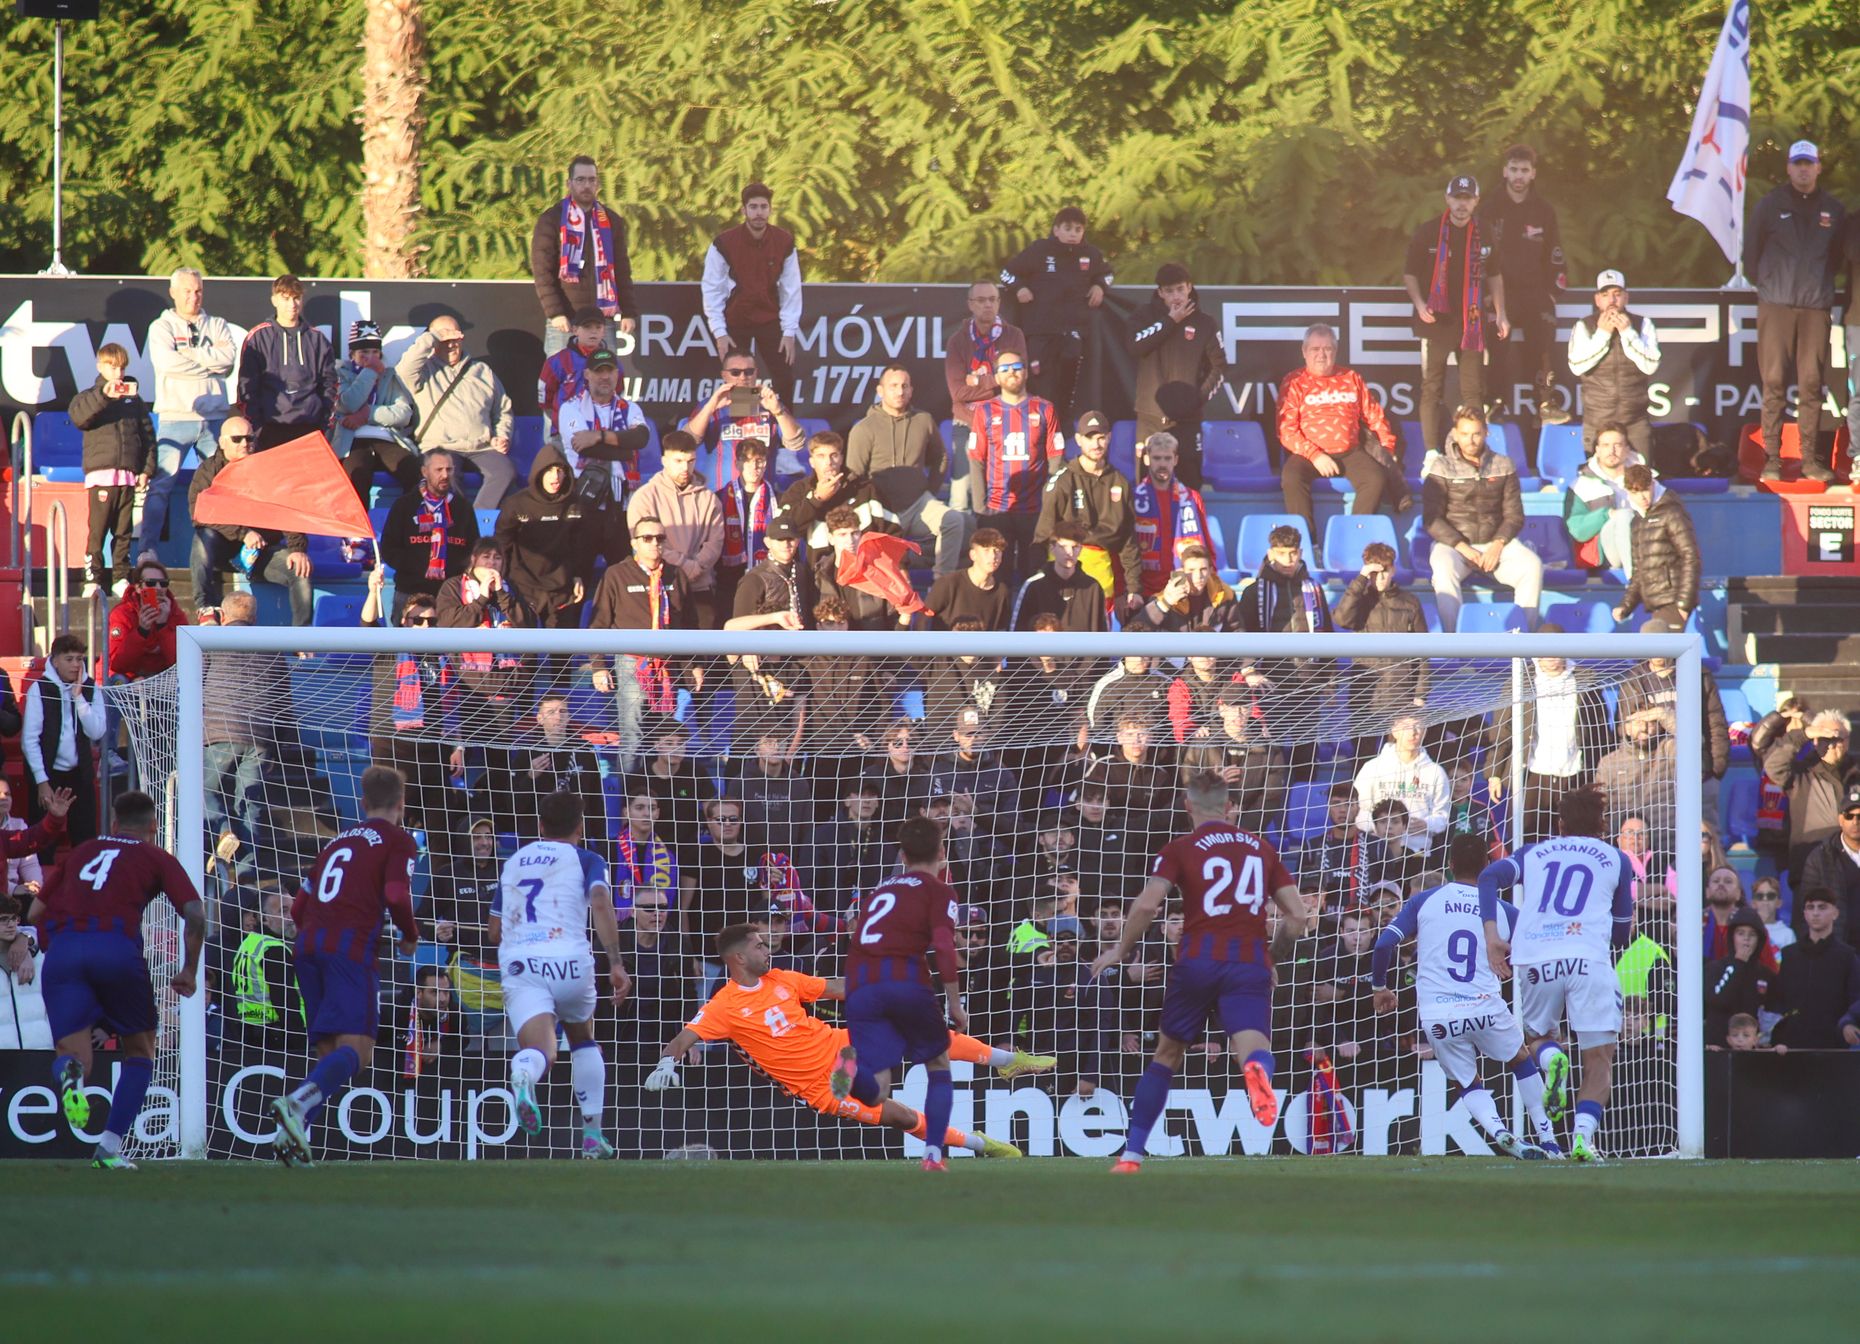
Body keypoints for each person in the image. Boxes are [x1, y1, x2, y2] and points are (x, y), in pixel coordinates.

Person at [644, 923, 1040, 1157]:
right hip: (823, 1088)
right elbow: (683, 1037)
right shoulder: (723, 1006)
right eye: (759, 945)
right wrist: (668, 1062)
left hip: (842, 1046)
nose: (768, 948)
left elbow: (835, 987)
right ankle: (981, 1145)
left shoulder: (782, 978)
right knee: (899, 1116)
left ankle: (1007, 1061)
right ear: (739, 959)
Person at [1089, 772, 1307, 1172]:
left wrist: (1121, 949)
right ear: (1228, 807)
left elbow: (1146, 906)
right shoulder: (1262, 848)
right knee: (1254, 1047)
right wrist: (1271, 957)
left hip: (1196, 963)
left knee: (1167, 1055)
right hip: (1247, 962)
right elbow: (1297, 916)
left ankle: (1132, 1155)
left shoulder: (1181, 848)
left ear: (1188, 806)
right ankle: (1256, 1071)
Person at [30, 790, 204, 1169]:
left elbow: (35, 909)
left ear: (113, 823)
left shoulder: (81, 851)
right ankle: (108, 1149)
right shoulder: (156, 856)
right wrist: (189, 969)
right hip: (115, 948)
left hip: (64, 953)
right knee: (140, 1052)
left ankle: (71, 1076)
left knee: (74, 1056)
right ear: (153, 828)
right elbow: (195, 913)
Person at [267, 766, 423, 1166]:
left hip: (308, 948)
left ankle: (296, 1141)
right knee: (358, 1052)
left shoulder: (335, 842)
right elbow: (395, 892)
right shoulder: (398, 840)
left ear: (363, 803)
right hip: (350, 951)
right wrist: (409, 933)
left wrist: (317, 935)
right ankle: (297, 1103)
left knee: (328, 1056)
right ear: (401, 804)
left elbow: (299, 906)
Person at [1371, 833, 1554, 1157]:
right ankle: (1548, 1138)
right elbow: (1537, 950)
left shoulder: (1424, 900)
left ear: (1450, 864)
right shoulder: (1501, 909)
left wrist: (1380, 987)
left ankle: (1499, 1131)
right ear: (1488, 864)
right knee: (1521, 1060)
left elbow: (1384, 944)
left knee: (1468, 1082)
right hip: (1485, 1007)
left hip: (1439, 1015)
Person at [1480, 785, 1635, 1161]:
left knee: (1538, 1036)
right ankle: (1582, 1137)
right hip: (1588, 958)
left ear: (1561, 824)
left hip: (1537, 957)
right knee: (1599, 1058)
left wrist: (1493, 938)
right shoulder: (1617, 858)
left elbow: (1488, 878)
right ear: (1602, 824)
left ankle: (1551, 1060)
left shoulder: (1533, 853)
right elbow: (1620, 933)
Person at [493, 790, 631, 1157]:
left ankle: (524, 1071)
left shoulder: (514, 862)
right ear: (581, 826)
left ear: (540, 826)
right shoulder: (587, 858)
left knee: (541, 1050)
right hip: (569, 961)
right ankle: (592, 1137)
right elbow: (601, 903)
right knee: (583, 1038)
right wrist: (615, 963)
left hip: (523, 963)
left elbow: (494, 931)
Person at [832, 815, 968, 1170]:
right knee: (938, 1062)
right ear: (942, 852)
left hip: (861, 985)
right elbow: (942, 945)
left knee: (876, 1092)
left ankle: (847, 1067)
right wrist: (954, 1002)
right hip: (904, 980)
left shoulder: (880, 890)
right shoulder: (940, 891)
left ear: (902, 856)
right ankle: (933, 1155)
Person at [1745, 141, 1846, 481]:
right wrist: (1772, 287)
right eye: (1797, 163)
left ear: (1819, 167)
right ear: (1788, 167)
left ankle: (1809, 460)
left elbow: (1835, 260)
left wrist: (1817, 289)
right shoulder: (1770, 204)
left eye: (1809, 163)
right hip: (1776, 305)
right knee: (1773, 380)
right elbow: (1752, 254)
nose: (1803, 169)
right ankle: (1771, 459)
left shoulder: (1833, 209)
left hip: (1814, 308)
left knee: (1812, 383)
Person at [1404, 175, 1509, 454]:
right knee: (1432, 387)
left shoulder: (1485, 231)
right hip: (1436, 320)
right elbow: (1410, 274)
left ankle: (1474, 451)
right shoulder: (1429, 231)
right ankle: (1430, 453)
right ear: (1447, 199)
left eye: (1468, 199)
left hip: (1472, 320)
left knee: (1473, 390)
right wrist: (1419, 304)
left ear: (1476, 201)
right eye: (1457, 198)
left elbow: (1496, 275)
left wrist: (1501, 313)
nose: (1462, 204)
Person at [588, 518, 702, 769]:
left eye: (660, 538)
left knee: (666, 737)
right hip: (632, 661)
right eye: (647, 538)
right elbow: (598, 623)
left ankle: (659, 798)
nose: (654, 543)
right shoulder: (616, 574)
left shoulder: (676, 574)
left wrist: (693, 665)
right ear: (634, 543)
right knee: (634, 732)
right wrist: (598, 666)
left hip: (668, 665)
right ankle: (630, 799)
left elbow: (690, 626)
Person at [142, 267, 237, 555]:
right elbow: (167, 363)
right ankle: (148, 550)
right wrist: (209, 363)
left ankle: (229, 550)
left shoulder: (218, 324)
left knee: (225, 486)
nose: (193, 297)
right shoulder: (162, 327)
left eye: (198, 291)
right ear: (173, 292)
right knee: (161, 487)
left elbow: (229, 361)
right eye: (186, 291)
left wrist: (189, 356)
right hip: (175, 417)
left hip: (215, 417)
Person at [1421, 406, 1541, 633]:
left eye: (1476, 433)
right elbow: (1431, 519)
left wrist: (1497, 545)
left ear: (1486, 433)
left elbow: (1514, 515)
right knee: (1442, 568)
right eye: (1465, 434)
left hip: (1495, 545)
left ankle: (1525, 644)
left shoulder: (1504, 464)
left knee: (1532, 566)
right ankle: (1453, 646)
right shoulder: (1441, 466)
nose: (1471, 440)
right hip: (1455, 546)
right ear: (1455, 434)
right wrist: (1462, 547)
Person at [1277, 323, 1403, 538]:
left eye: (1327, 349)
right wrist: (1315, 456)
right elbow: (1286, 430)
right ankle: (1308, 544)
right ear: (1304, 352)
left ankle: (1353, 539)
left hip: (1350, 452)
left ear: (1335, 352)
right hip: (1310, 455)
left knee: (1375, 478)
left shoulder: (1351, 378)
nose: (1321, 355)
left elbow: (1375, 416)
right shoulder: (1293, 381)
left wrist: (1388, 448)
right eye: (1315, 349)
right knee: (1291, 477)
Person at [187, 415, 315, 626]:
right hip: (222, 552)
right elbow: (199, 513)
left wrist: (298, 548)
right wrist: (243, 533)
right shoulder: (208, 471)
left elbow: (287, 509)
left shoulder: (268, 469)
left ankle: (302, 641)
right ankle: (205, 607)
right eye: (237, 439)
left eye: (249, 438)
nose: (245, 444)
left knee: (300, 569)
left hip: (261, 554)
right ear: (222, 442)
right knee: (203, 535)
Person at [1485, 637, 1614, 844]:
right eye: (1546, 652)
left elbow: (1599, 725)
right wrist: (1494, 773)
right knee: (1527, 839)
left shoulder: (1587, 680)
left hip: (1575, 774)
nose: (1552, 657)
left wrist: (1601, 769)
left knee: (1578, 838)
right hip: (1533, 774)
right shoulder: (1520, 681)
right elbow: (1502, 728)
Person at [847, 364, 967, 575]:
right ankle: (908, 561)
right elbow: (854, 475)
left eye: (905, 386)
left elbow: (940, 457)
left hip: (919, 504)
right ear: (880, 391)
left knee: (954, 521)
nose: (900, 391)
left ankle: (940, 586)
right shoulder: (864, 428)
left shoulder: (924, 420)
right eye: (893, 386)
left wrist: (930, 490)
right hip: (881, 510)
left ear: (911, 390)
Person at [998, 205, 1113, 426]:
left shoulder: (1091, 254)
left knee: (1068, 384)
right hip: (1040, 333)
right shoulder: (1040, 250)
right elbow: (1006, 273)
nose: (1073, 234)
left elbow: (1108, 275)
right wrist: (1019, 288)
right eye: (1068, 228)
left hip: (1073, 333)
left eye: (1078, 230)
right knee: (1040, 384)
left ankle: (1061, 429)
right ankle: (1036, 428)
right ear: (1056, 230)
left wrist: (1100, 285)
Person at [1482, 144, 1570, 426]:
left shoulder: (1543, 210)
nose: (1519, 175)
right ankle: (1494, 404)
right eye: (1514, 169)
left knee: (1543, 348)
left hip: (1535, 293)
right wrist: (1484, 293)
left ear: (1533, 174)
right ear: (1504, 171)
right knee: (1497, 351)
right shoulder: (1488, 208)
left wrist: (1553, 293)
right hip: (1499, 295)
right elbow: (1477, 254)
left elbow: (1554, 253)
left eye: (1524, 170)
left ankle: (1546, 404)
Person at [397, 313, 517, 509]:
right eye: (444, 340)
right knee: (446, 475)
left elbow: (502, 409)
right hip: (441, 445)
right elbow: (403, 369)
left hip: (481, 447)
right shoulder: (422, 372)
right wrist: (434, 336)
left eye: (454, 339)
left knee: (505, 471)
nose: (450, 345)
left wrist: (502, 435)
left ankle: (478, 520)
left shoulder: (482, 371)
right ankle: (456, 528)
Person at [495, 443, 621, 629]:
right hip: (523, 585)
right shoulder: (516, 504)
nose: (555, 476)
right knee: (526, 652)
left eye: (560, 470)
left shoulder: (576, 504)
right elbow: (502, 542)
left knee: (562, 652)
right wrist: (504, 580)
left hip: (562, 587)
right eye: (549, 471)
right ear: (539, 472)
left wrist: (578, 576)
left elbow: (581, 546)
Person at [68, 342, 156, 598]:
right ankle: (93, 579)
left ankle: (120, 577)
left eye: (121, 367)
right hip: (100, 476)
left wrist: (145, 470)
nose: (118, 372)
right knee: (98, 530)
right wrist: (104, 396)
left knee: (123, 531)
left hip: (128, 476)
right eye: (112, 366)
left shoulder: (134, 400)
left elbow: (148, 436)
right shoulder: (88, 396)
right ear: (100, 366)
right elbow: (80, 418)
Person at [1129, 262, 1228, 489]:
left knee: (1190, 484)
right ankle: (1148, 526)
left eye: (1181, 289)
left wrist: (1196, 399)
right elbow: (1134, 347)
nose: (1176, 296)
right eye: (1170, 291)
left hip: (1187, 421)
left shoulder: (1205, 323)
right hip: (1150, 418)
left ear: (1189, 288)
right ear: (1160, 292)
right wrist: (1170, 321)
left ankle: (1189, 525)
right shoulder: (1143, 316)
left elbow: (1219, 366)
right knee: (1147, 484)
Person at [967, 347, 1062, 580]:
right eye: (1005, 369)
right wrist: (981, 509)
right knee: (999, 577)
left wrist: (1050, 504)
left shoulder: (1044, 408)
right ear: (997, 377)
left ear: (1026, 373)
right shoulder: (985, 411)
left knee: (1036, 577)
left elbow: (1055, 458)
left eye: (1017, 368)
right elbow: (976, 459)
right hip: (998, 509)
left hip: (1035, 510)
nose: (1012, 373)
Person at [702, 181, 803, 393]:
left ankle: (784, 425)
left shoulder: (784, 241)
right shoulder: (724, 243)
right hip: (736, 317)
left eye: (763, 207)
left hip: (770, 317)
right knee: (740, 378)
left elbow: (791, 289)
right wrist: (719, 332)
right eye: (754, 207)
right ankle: (742, 423)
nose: (759, 213)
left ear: (770, 209)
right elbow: (712, 289)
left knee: (784, 378)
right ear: (744, 210)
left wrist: (789, 331)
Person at [531, 154, 638, 354]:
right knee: (562, 381)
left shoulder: (611, 220)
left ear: (598, 183)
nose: (586, 185)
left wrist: (629, 312)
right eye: (580, 180)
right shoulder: (552, 219)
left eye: (591, 180)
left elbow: (622, 270)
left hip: (601, 321)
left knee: (605, 381)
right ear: (569, 183)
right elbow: (542, 271)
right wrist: (555, 313)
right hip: (566, 321)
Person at [1035, 410, 1140, 604]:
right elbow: (1043, 535)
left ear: (1109, 438)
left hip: (1103, 570)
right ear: (1078, 439)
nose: (1096, 444)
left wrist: (1133, 587)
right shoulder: (1061, 481)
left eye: (1101, 438)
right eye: (1090, 438)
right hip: (1064, 569)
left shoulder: (1121, 482)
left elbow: (1128, 541)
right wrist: (1044, 580)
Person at [1752, 705, 1856, 894]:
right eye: (1825, 739)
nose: (1831, 745)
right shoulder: (1801, 773)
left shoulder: (1856, 773)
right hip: (1810, 867)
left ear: (1848, 741)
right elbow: (1773, 765)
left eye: (1837, 739)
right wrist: (1804, 734)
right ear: (1815, 740)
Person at [943, 280, 1029, 507]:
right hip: (967, 423)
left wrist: (979, 381)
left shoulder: (1014, 335)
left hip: (1005, 423)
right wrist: (998, 379)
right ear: (971, 304)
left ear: (999, 303)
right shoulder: (957, 341)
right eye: (981, 300)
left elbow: (1017, 380)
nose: (987, 305)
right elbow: (958, 392)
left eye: (992, 299)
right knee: (960, 498)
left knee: (1005, 493)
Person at [628, 430, 724, 628]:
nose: (685, 467)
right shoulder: (644, 497)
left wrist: (695, 568)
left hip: (700, 588)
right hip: (660, 586)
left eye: (690, 461)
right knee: (664, 655)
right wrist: (685, 567)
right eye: (678, 461)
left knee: (701, 655)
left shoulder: (709, 499)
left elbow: (715, 543)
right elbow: (645, 543)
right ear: (664, 460)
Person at [22, 634, 106, 846]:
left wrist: (78, 698)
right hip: (48, 773)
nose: (76, 665)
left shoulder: (90, 687)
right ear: (55, 660)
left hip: (79, 772)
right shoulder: (39, 688)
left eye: (79, 659)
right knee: (43, 838)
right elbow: (29, 740)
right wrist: (42, 781)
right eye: (69, 659)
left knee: (85, 836)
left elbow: (97, 732)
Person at [1567, 271, 1661, 459]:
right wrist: (1602, 334)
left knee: (1640, 482)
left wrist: (1627, 333)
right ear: (1597, 300)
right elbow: (1576, 366)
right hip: (1597, 421)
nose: (1611, 300)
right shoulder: (1584, 326)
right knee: (1597, 485)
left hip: (1635, 421)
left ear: (1626, 297)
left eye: (1617, 294)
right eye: (1605, 294)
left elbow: (1650, 365)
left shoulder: (1643, 324)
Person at [237, 274, 336, 450]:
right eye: (286, 298)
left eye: (296, 298)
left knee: (306, 479)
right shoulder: (258, 337)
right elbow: (247, 387)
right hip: (270, 429)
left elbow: (329, 384)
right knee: (273, 478)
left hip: (310, 429)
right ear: (274, 300)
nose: (292, 304)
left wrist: (323, 425)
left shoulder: (317, 339)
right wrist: (258, 428)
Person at [1332, 541, 1429, 721]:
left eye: (1385, 573)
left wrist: (1421, 694)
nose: (1380, 578)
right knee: (1364, 749)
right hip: (1365, 692)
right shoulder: (1359, 600)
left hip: (1401, 692)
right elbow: (1341, 619)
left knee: (1400, 748)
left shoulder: (1410, 602)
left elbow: (1423, 652)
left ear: (1393, 570)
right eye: (1374, 574)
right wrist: (1361, 579)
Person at [380, 449, 480, 618]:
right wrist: (418, 567)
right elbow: (389, 549)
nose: (445, 475)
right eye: (438, 470)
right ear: (424, 472)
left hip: (450, 594)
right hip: (409, 592)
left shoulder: (463, 507)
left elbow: (473, 549)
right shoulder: (404, 505)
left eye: (449, 470)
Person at [683, 350, 806, 484]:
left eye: (748, 372)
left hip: (762, 496)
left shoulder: (771, 404)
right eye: (735, 372)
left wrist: (778, 412)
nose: (743, 377)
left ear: (756, 373)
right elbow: (686, 441)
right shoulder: (709, 405)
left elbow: (796, 443)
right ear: (724, 375)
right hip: (719, 496)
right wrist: (710, 408)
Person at [334, 319, 419, 501]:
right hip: (353, 439)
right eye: (364, 352)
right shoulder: (340, 373)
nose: (370, 358)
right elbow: (348, 403)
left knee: (414, 471)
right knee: (356, 477)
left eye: (375, 352)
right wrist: (371, 372)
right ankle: (359, 530)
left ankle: (407, 525)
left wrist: (368, 414)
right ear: (352, 354)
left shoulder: (390, 376)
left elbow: (404, 413)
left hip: (385, 437)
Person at [558, 346, 651, 507]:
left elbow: (641, 438)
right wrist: (627, 450)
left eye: (610, 371)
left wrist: (598, 436)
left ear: (617, 374)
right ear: (587, 374)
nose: (605, 377)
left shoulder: (629, 407)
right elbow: (585, 448)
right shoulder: (571, 408)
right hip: (586, 490)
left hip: (626, 491)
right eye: (599, 371)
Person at [1768, 888, 1860, 1049]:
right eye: (1810, 907)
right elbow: (1779, 1001)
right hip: (1792, 1047)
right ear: (1804, 913)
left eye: (1822, 907)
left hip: (1833, 1048)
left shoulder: (1847, 957)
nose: (1815, 913)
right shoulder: (1789, 955)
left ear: (1835, 913)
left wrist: (1849, 1023)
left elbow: (1855, 1000)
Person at [1130, 431, 1211, 611]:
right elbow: (1124, 548)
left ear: (1175, 460)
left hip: (1186, 589)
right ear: (1146, 460)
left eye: (1167, 458)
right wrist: (1125, 590)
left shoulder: (1192, 498)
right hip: (1145, 592)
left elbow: (1206, 549)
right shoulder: (1133, 499)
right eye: (1157, 458)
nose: (1162, 464)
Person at [778, 430, 896, 549]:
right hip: (816, 566)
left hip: (862, 564)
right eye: (821, 456)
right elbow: (782, 530)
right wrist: (816, 499)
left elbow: (892, 531)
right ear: (812, 462)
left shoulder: (865, 489)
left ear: (841, 459)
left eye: (834, 455)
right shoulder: (799, 490)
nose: (829, 462)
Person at [1613, 468, 1699, 629]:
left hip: (1673, 601)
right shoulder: (1637, 522)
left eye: (1645, 489)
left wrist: (1683, 603)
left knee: (1663, 652)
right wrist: (1626, 606)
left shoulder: (1671, 512)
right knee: (1658, 652)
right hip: (1656, 603)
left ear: (1653, 484)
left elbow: (1691, 556)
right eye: (1635, 492)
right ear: (1628, 493)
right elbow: (1639, 570)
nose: (1642, 497)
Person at [1354, 715, 1449, 859]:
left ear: (1425, 731)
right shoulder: (1372, 767)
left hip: (1419, 854)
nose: (1413, 732)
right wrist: (1381, 826)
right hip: (1376, 853)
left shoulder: (1435, 771)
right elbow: (1359, 812)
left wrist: (1427, 824)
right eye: (1407, 727)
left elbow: (1443, 817)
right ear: (1394, 730)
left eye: (1418, 726)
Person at [1561, 424, 1646, 571]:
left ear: (1627, 449)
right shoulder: (1580, 485)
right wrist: (1606, 514)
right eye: (1605, 445)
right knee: (1624, 515)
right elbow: (1577, 530)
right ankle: (1633, 575)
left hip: (1645, 544)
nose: (1611, 451)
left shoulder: (1647, 479)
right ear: (1597, 450)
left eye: (1617, 445)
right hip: (1607, 554)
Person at [1238, 524, 1334, 635]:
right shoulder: (1254, 592)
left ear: (1300, 553)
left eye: (1293, 553)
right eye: (1281, 553)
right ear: (1271, 554)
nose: (1288, 560)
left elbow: (1327, 632)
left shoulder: (1315, 589)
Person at [1798, 783, 1860, 949]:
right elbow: (1806, 906)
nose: (1855, 821)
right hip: (1837, 947)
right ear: (1840, 820)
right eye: (1849, 816)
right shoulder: (1820, 857)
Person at [106, 558, 188, 682]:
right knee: (118, 680)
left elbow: (183, 663)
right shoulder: (122, 614)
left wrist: (163, 626)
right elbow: (118, 664)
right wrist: (141, 631)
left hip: (163, 680)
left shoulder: (175, 614)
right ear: (138, 587)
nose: (158, 588)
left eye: (163, 583)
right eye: (151, 583)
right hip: (129, 678)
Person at [1012, 524, 1106, 632]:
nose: (1069, 552)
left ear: (1080, 549)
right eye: (1063, 547)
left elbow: (1102, 633)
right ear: (1052, 548)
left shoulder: (1093, 587)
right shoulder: (1034, 586)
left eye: (1074, 547)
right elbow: (1018, 632)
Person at [537, 306, 608, 439]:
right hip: (564, 433)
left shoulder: (611, 362)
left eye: (598, 327)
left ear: (604, 332)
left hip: (600, 433)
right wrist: (561, 417)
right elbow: (545, 398)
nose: (593, 332)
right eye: (587, 327)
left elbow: (618, 391)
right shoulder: (558, 361)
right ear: (575, 330)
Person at [926, 528, 1010, 631]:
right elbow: (924, 619)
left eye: (997, 551)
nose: (993, 556)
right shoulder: (948, 583)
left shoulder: (1002, 591)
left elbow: (1001, 630)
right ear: (973, 555)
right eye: (986, 550)